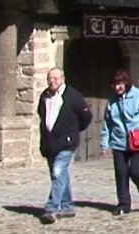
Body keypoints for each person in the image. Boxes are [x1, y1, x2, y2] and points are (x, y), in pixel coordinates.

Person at [37, 68, 92, 225]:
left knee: (58, 172)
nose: (52, 81)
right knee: (60, 176)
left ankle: (51, 208)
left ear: (62, 78)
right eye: (49, 78)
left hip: (67, 142)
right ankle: (67, 207)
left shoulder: (73, 96)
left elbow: (86, 116)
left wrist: (73, 131)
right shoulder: (44, 96)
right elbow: (41, 114)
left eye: (55, 78)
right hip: (50, 143)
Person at [100, 69, 139, 216]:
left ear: (126, 83)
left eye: (120, 83)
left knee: (136, 171)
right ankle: (123, 204)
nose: (118, 87)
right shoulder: (112, 100)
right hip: (119, 142)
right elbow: (107, 123)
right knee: (121, 174)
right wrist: (104, 143)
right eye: (115, 84)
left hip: (138, 142)